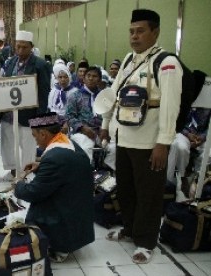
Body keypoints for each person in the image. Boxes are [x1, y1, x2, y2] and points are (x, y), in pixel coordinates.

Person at [100, 9, 183, 264]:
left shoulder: (167, 63)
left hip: (149, 142)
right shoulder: (128, 59)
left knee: (148, 193)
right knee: (126, 189)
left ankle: (146, 242)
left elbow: (171, 107)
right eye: (131, 31)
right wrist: (105, 123)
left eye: (141, 31)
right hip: (123, 137)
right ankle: (130, 229)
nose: (134, 37)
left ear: (155, 32)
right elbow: (112, 95)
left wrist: (163, 143)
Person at [13, 112, 94, 263]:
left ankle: (59, 247)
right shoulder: (66, 142)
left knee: (36, 207)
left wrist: (18, 185)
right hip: (79, 208)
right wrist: (40, 166)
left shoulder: (54, 158)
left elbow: (33, 193)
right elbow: (65, 171)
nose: (35, 140)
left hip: (67, 214)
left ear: (43, 134)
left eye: (35, 135)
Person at [0, 30, 51, 181]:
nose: (20, 50)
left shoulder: (41, 65)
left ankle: (26, 174)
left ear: (31, 47)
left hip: (29, 115)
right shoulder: (10, 62)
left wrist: (38, 122)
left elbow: (43, 95)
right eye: (18, 47)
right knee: (7, 143)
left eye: (24, 47)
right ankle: (13, 172)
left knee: (27, 145)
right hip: (8, 112)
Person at [167, 107, 211, 195]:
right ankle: (181, 178)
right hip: (183, 132)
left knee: (209, 154)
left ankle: (197, 181)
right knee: (180, 147)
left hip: (203, 135)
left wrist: (203, 137)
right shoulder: (186, 96)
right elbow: (176, 121)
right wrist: (187, 134)